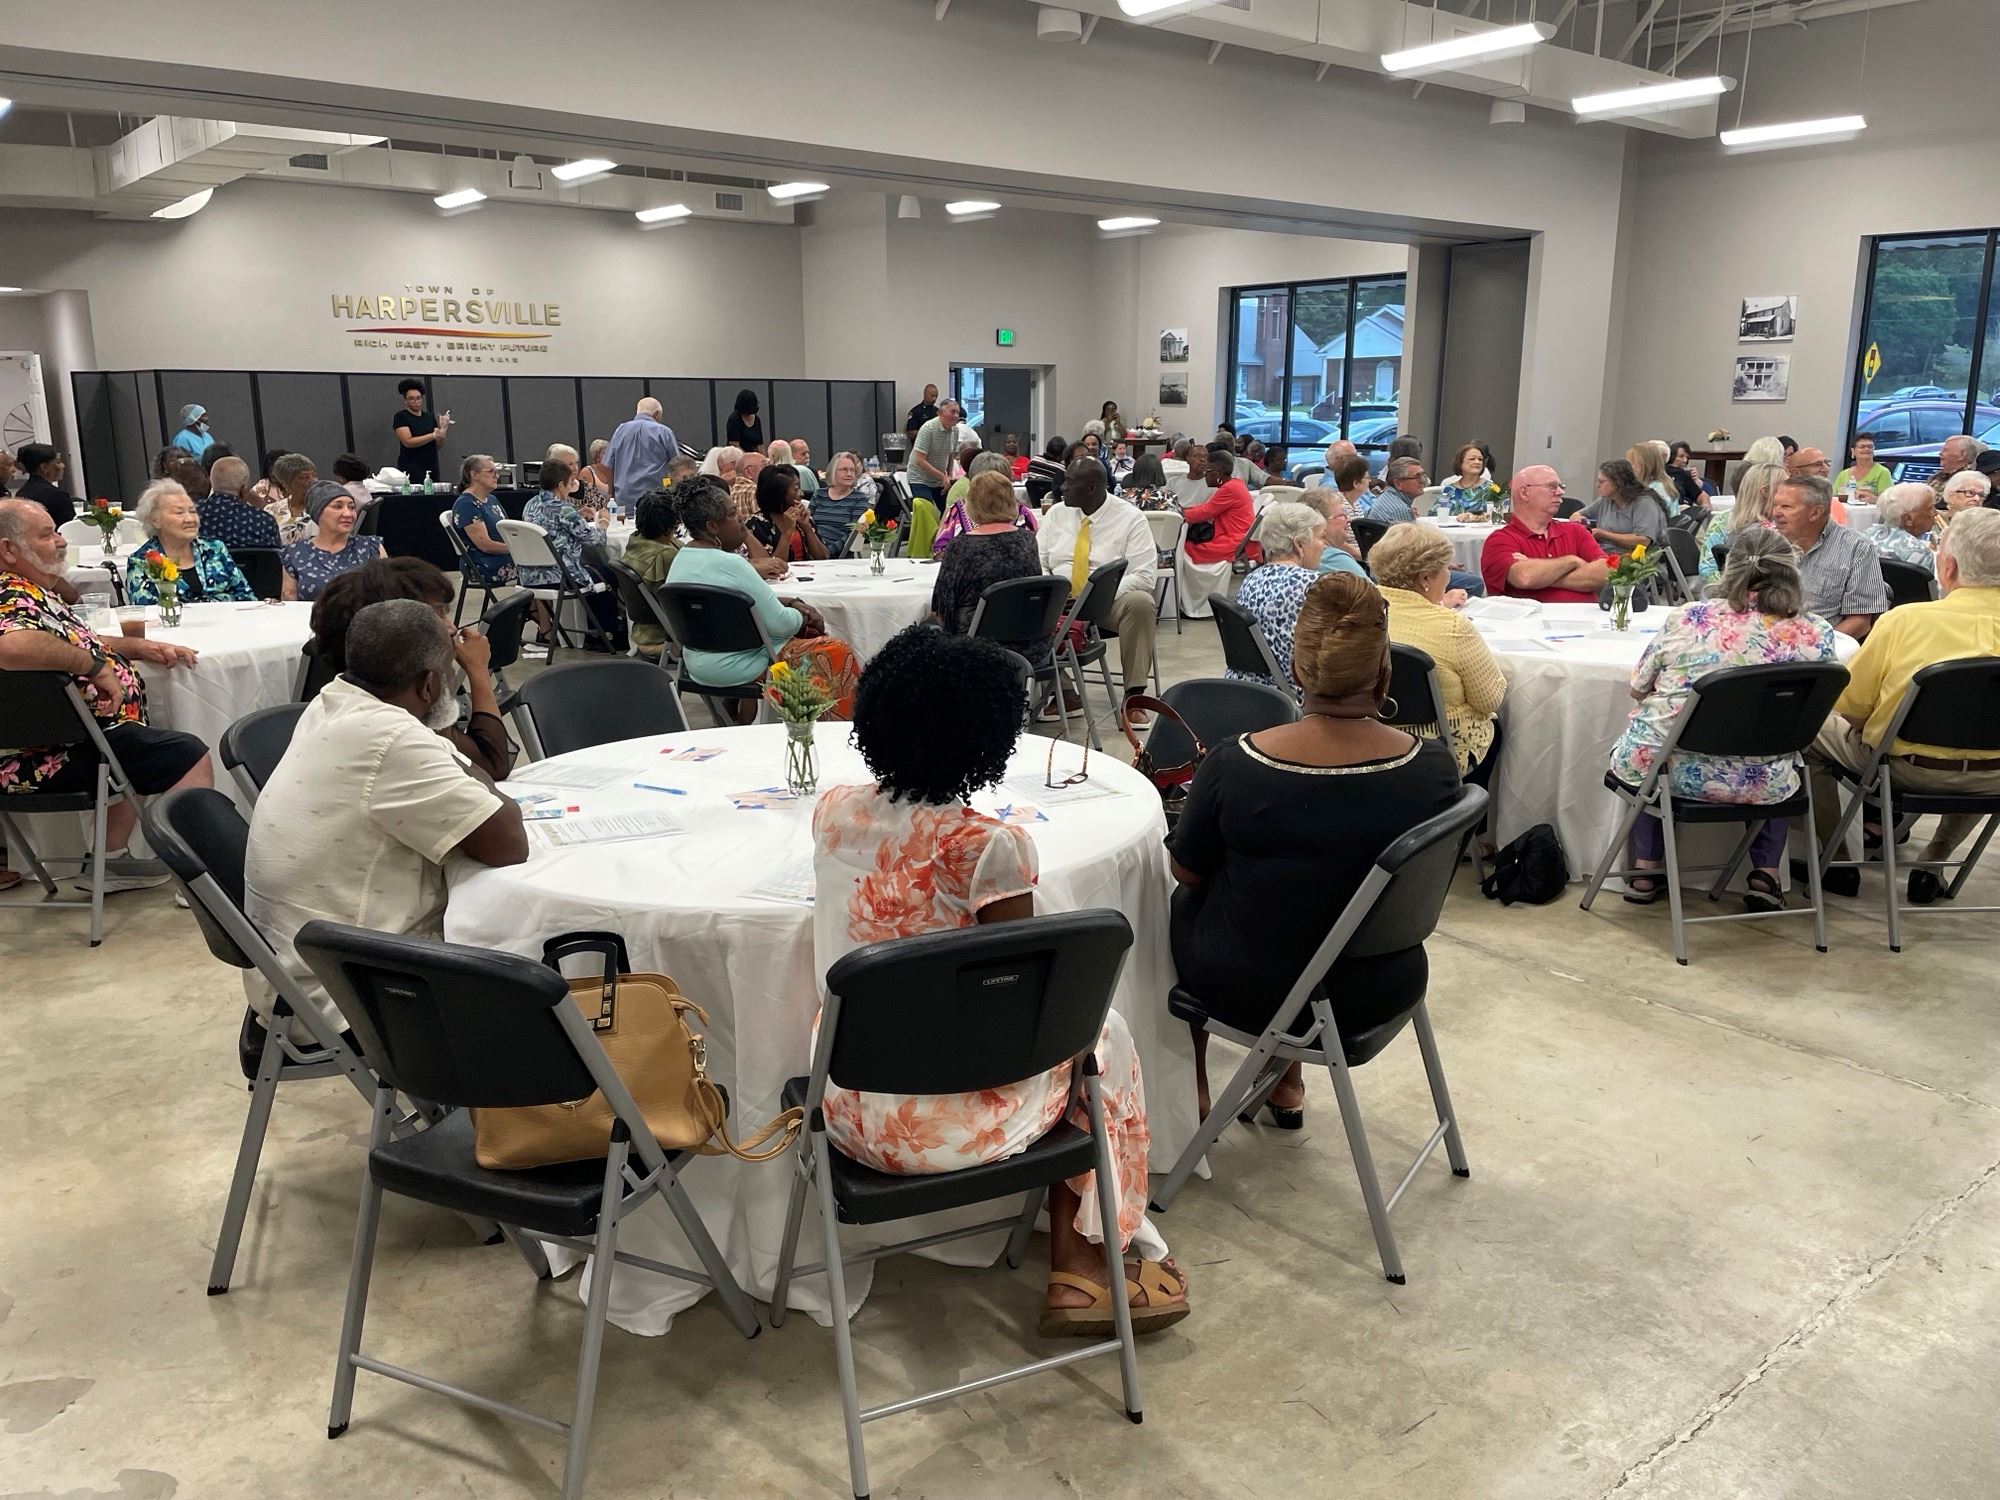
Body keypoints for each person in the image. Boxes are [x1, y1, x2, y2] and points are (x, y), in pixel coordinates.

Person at [810, 624, 1188, 1335]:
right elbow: (1021, 1001)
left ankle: (1087, 1260)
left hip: (846, 1103)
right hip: (945, 1126)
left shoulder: (832, 813)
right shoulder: (990, 847)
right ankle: (1088, 1261)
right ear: (990, 738)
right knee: (1098, 1033)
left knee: (1081, 1032)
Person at [1169, 573, 1462, 1126]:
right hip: (1382, 983)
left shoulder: (1238, 762)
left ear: (1301, 669)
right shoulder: (1433, 768)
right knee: (1312, 902)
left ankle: (1194, 1087)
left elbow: (1189, 873)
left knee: (1185, 906)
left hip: (1258, 988)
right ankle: (1285, 1079)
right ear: (1383, 669)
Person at [245, 598, 527, 1037]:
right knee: (545, 968)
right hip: (351, 991)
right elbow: (508, 844)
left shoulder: (334, 700)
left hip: (292, 975)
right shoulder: (393, 739)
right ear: (429, 685)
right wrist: (443, 734)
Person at [1608, 528, 1838, 910]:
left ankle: (1646, 868)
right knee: (1777, 746)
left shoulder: (1688, 619)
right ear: (1792, 572)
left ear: (1728, 569)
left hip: (1675, 771)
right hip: (1767, 782)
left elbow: (1638, 686)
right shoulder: (1816, 633)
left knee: (1654, 743)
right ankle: (1767, 873)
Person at [0, 499, 210, 892]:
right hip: (44, 759)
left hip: (63, 748)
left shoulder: (28, 592)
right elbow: (12, 647)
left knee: (135, 743)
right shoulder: (9, 594)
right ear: (8, 550)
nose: (61, 541)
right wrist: (95, 667)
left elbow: (71, 639)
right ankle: (200, 879)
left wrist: (132, 649)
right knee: (185, 752)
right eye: (46, 534)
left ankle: (111, 865)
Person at [1807, 507, 2000, 905]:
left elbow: (1851, 706)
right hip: (1995, 775)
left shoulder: (1905, 621)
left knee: (1808, 727)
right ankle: (1933, 864)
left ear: (1948, 567)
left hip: (1904, 769)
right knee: (1983, 733)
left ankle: (1837, 862)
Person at [666, 478, 860, 718]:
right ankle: (841, 735)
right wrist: (804, 614)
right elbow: (781, 624)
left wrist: (789, 602)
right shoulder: (731, 563)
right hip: (743, 665)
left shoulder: (681, 559)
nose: (741, 520)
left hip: (697, 664)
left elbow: (743, 606)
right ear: (712, 527)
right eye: (733, 513)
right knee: (836, 651)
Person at [306, 558, 513, 780]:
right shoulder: (398, 713)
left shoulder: (341, 694)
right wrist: (478, 670)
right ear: (394, 624)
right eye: (439, 614)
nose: (452, 628)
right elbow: (492, 763)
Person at [1372, 523, 1506, 781]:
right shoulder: (1451, 626)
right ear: (1425, 579)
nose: (1448, 577)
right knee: (1498, 725)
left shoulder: (1358, 611)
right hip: (1437, 749)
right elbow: (1489, 700)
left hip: (1372, 737)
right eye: (1445, 569)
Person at [1036, 458, 1157, 721]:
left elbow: (1144, 575)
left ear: (1092, 488)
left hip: (1105, 603)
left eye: (1069, 482)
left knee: (1141, 604)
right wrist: (1050, 591)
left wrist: (1094, 597)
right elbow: (1040, 561)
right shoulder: (1057, 513)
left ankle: (1135, 697)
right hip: (1058, 601)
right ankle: (1064, 692)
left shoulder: (1130, 518)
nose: (1062, 488)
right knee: (1026, 603)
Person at [930, 471, 1049, 662]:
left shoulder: (961, 546)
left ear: (973, 503)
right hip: (1029, 646)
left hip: (974, 649)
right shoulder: (1027, 540)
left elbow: (942, 610)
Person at [1222, 501, 1326, 699]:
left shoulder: (1252, 578)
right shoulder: (1314, 585)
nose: (1324, 546)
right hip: (1294, 695)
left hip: (1248, 689)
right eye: (1322, 538)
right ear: (1299, 544)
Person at [1768, 474, 1888, 639]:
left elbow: (1860, 621)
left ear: (1815, 513)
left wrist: (1817, 645)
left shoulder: (1856, 548)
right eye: (1775, 505)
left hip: (1818, 649)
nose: (1775, 513)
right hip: (1764, 641)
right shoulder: (1767, 541)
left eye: (1786, 507)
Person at [522, 457, 621, 641]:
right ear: (561, 485)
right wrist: (604, 523)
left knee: (596, 572)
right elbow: (595, 540)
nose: (571, 487)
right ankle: (604, 633)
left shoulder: (531, 505)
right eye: (570, 484)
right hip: (560, 576)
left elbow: (552, 526)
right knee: (608, 575)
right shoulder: (563, 509)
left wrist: (576, 515)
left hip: (531, 575)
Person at [1482, 465, 1612, 604]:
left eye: (1561, 486)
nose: (1560, 492)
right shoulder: (1500, 540)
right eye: (1551, 486)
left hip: (1588, 622)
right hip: (1530, 623)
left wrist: (1542, 576)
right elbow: (1524, 577)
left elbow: (1605, 572)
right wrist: (1573, 561)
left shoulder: (1576, 531)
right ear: (1525, 493)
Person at [122, 479, 254, 605]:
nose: (190, 519)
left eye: (193, 511)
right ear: (155, 520)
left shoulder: (214, 549)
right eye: (179, 513)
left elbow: (247, 597)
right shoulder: (142, 562)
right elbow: (148, 613)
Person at [1175, 443, 1256, 620]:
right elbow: (1207, 508)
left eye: (1208, 471)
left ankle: (1195, 604)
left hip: (1232, 539)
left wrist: (1178, 514)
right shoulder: (1234, 485)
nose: (1205, 475)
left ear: (1218, 473)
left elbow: (1205, 512)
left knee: (1187, 548)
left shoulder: (1229, 489)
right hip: (1235, 536)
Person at [281, 480, 384, 602]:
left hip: (364, 619)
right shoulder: (294, 553)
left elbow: (388, 595)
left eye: (351, 507)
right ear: (318, 513)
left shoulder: (371, 547)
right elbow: (289, 599)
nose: (348, 513)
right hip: (311, 619)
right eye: (338, 506)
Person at [1698, 460, 1785, 588]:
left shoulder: (1734, 525)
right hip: (1755, 599)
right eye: (1785, 488)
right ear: (1765, 492)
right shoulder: (1770, 532)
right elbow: (1707, 570)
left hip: (1732, 595)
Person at [622, 486, 683, 661]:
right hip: (664, 636)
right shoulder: (665, 555)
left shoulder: (636, 541)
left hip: (644, 632)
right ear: (671, 525)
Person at [934, 451, 1035, 554]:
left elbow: (1034, 552)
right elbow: (939, 550)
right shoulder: (957, 511)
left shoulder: (1023, 514)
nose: (991, 488)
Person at [450, 454, 516, 589]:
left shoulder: (491, 499)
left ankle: (533, 609)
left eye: (496, 472)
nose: (496, 476)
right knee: (538, 568)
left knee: (540, 564)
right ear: (474, 475)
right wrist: (517, 549)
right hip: (484, 564)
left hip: (501, 557)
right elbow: (485, 545)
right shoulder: (467, 504)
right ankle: (534, 609)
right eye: (491, 472)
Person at [1581, 459, 1672, 558]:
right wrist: (1580, 520)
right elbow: (1577, 515)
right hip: (1603, 555)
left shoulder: (1644, 503)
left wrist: (1604, 534)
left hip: (1635, 563)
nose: (1597, 486)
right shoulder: (1605, 500)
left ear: (1618, 483)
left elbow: (1642, 541)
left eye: (1602, 482)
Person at [746, 463, 827, 564]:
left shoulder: (802, 516)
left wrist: (807, 528)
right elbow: (772, 567)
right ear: (778, 494)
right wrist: (787, 532)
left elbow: (824, 557)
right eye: (796, 489)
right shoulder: (757, 523)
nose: (801, 493)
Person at [197, 456, 283, 551]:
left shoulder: (191, 517)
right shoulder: (264, 522)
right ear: (244, 489)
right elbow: (276, 562)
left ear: (211, 483)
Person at [1864, 482, 1940, 575]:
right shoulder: (1920, 553)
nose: (1936, 513)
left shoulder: (1863, 537)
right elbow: (1928, 589)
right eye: (1930, 508)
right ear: (1908, 519)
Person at [809, 452, 877, 544]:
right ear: (833, 471)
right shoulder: (819, 494)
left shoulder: (859, 499)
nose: (849, 474)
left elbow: (853, 535)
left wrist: (827, 551)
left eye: (852, 470)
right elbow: (808, 523)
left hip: (835, 552)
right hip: (812, 546)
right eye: (844, 470)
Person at [392, 379, 450, 483]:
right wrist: (432, 435)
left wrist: (442, 431)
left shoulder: (429, 417)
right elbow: (408, 442)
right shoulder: (401, 417)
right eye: (411, 399)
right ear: (405, 401)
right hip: (411, 465)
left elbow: (439, 445)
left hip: (431, 465)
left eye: (418, 398)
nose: (416, 401)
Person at [907, 398, 962, 503]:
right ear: (941, 413)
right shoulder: (928, 428)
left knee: (950, 507)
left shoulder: (955, 430)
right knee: (926, 507)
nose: (956, 416)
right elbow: (920, 460)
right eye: (952, 412)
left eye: (958, 413)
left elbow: (951, 455)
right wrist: (942, 477)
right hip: (919, 478)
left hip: (938, 479)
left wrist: (949, 476)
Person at [16, 444, 76, 527]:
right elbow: (69, 529)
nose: (63, 466)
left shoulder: (20, 494)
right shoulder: (57, 496)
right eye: (58, 462)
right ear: (44, 467)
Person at [1786, 447, 1847, 525]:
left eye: (1827, 463)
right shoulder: (1783, 503)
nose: (1826, 469)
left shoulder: (1835, 505)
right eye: (1818, 464)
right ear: (1797, 472)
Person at [266, 453, 316, 545]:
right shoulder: (271, 511)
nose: (313, 481)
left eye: (314, 475)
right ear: (286, 483)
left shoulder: (324, 507)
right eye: (304, 477)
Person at [1440, 444, 1500, 517]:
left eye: (1480, 459)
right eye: (1472, 459)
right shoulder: (1449, 490)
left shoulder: (1491, 488)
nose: (1477, 462)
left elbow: (1499, 515)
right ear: (1460, 463)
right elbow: (1434, 516)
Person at [1365, 456, 1425, 526]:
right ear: (1398, 484)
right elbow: (1409, 537)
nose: (1423, 480)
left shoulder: (1387, 497)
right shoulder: (1400, 510)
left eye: (1423, 475)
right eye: (1416, 477)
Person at [1833, 435, 1892, 504]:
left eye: (1870, 447)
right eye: (1862, 447)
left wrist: (1875, 500)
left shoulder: (1883, 472)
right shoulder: (1843, 474)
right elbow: (1834, 497)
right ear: (1853, 451)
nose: (1866, 449)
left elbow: (1888, 501)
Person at [1627, 441, 1679, 515]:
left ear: (1645, 465)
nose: (1628, 466)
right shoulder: (1662, 484)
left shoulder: (1656, 490)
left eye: (1632, 463)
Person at [1927, 435, 1981, 502]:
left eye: (1945, 450)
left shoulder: (1969, 481)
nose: (1940, 453)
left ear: (1962, 455)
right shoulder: (1937, 475)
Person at [1024, 435, 1068, 505]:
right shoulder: (1061, 469)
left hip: (1032, 503)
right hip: (1052, 503)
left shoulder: (1034, 461)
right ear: (1061, 455)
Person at [1666, 440, 1711, 509]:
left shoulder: (1682, 474)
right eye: (1681, 456)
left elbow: (1704, 495)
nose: (1685, 460)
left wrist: (1696, 480)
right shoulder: (1658, 473)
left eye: (1687, 457)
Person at [729, 450, 768, 524]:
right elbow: (764, 522)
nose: (770, 470)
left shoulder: (729, 492)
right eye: (765, 466)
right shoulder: (754, 490)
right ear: (749, 472)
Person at [722, 388, 763, 453]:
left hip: (752, 456)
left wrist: (764, 459)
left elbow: (760, 445)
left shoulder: (757, 420)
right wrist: (747, 458)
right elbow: (734, 444)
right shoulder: (734, 419)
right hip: (737, 456)